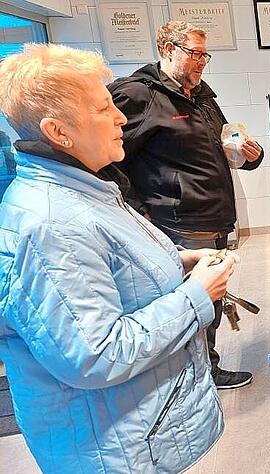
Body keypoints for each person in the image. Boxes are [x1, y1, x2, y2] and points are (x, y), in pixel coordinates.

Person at [0, 43, 238, 472]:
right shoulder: (53, 223)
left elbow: (109, 270)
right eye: (103, 108)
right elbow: (96, 354)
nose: (121, 118)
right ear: (59, 132)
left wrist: (177, 262)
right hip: (113, 450)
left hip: (136, 430)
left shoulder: (84, 189)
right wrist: (196, 295)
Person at [108, 21, 263, 390]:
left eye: (204, 55)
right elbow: (108, 159)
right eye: (194, 53)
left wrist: (249, 155)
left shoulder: (203, 97)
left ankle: (206, 368)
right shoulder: (139, 95)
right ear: (167, 48)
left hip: (215, 216)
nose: (201, 62)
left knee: (210, 297)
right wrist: (138, 211)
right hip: (177, 221)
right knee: (191, 299)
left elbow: (224, 147)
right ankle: (197, 376)